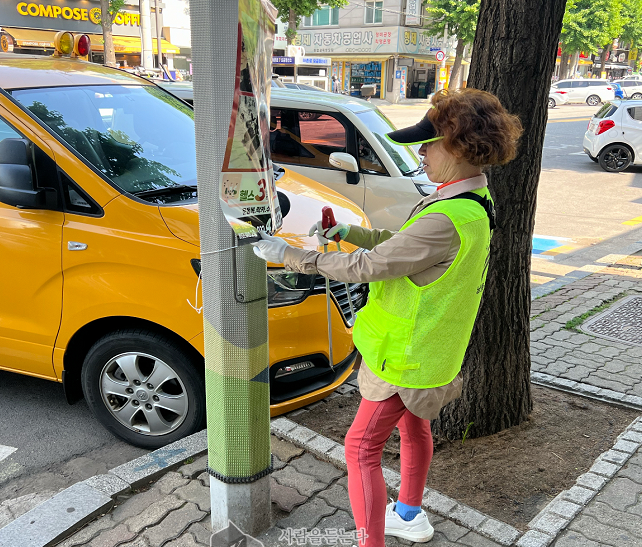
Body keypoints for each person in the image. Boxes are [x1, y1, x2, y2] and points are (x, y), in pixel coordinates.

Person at [253, 89, 523, 546]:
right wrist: (351, 231)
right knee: (415, 427)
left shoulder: (446, 216)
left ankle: (370, 541)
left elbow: (371, 266)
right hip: (431, 352)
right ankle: (409, 513)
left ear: (460, 147)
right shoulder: (472, 203)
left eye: (431, 143)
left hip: (406, 355)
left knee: (360, 448)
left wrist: (292, 256)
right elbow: (400, 245)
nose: (422, 152)